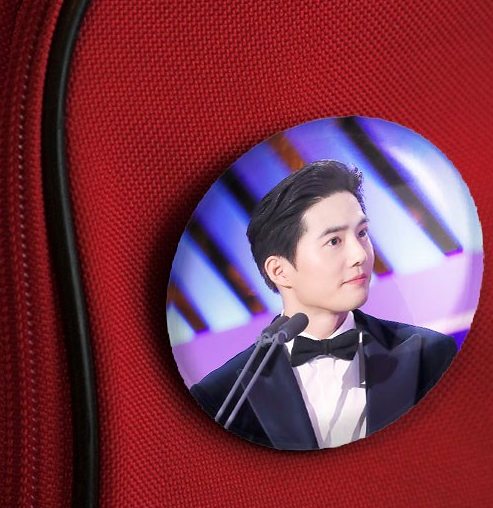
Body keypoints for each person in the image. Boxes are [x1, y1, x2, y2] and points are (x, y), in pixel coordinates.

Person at [190, 160, 457, 450]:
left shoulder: (429, 354)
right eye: (334, 241)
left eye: (362, 233)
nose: (360, 255)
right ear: (280, 271)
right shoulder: (222, 397)